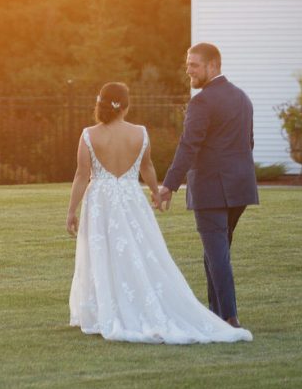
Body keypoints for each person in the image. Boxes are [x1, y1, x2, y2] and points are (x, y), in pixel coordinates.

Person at [67, 80, 251, 344]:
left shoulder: (88, 135)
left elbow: (82, 175)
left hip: (100, 203)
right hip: (131, 199)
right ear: (126, 106)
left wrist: (71, 211)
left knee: (103, 252)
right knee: (139, 252)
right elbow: (147, 167)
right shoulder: (140, 133)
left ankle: (103, 310)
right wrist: (156, 191)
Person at [157, 43, 259, 329]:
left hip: (212, 190)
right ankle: (216, 313)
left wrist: (169, 184)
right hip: (240, 188)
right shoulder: (242, 97)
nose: (188, 70)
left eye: (194, 65)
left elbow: (189, 146)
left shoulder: (202, 102)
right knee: (216, 253)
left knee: (217, 255)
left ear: (213, 66)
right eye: (187, 64)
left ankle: (229, 317)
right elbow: (249, 142)